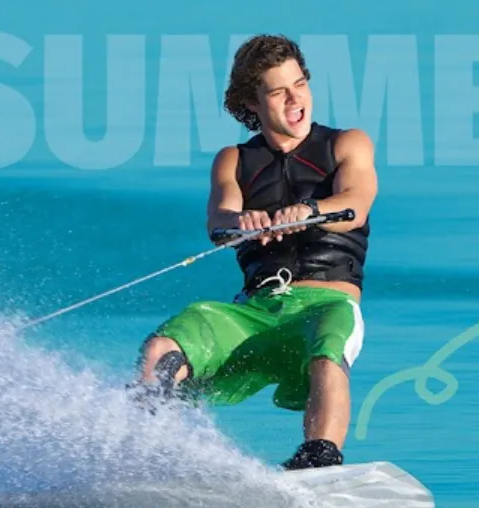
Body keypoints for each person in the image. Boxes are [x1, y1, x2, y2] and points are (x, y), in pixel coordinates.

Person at [133, 34, 378, 470]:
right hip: (253, 312)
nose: (295, 98)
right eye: (279, 91)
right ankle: (142, 450)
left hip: (325, 305)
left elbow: (355, 205)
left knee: (328, 349)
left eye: (300, 83)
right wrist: (240, 223)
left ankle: (319, 461)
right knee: (162, 345)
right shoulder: (233, 160)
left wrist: (306, 211)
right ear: (253, 100)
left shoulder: (347, 144)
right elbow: (218, 221)